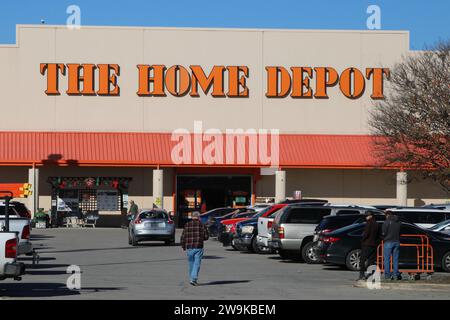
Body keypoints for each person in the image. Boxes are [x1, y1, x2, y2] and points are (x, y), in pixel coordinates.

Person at [180, 211, 209, 286]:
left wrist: (183, 246)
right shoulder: (202, 225)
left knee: (191, 264)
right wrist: (200, 238)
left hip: (189, 247)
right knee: (197, 264)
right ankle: (193, 279)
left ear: (192, 217)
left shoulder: (187, 224)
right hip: (198, 246)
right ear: (199, 217)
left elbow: (183, 237)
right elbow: (206, 237)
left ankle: (192, 279)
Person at [358, 211, 379, 280]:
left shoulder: (369, 223)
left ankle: (362, 275)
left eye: (367, 216)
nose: (366, 217)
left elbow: (366, 234)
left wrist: (362, 240)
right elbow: (378, 235)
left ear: (371, 216)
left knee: (362, 260)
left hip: (367, 244)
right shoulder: (376, 223)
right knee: (371, 261)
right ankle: (372, 275)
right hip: (374, 244)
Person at [382, 210, 402, 280]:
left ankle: (388, 275)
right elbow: (400, 232)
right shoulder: (399, 222)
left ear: (387, 215)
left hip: (388, 242)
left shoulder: (387, 222)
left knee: (387, 259)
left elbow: (383, 233)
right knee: (395, 259)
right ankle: (395, 274)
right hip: (397, 241)